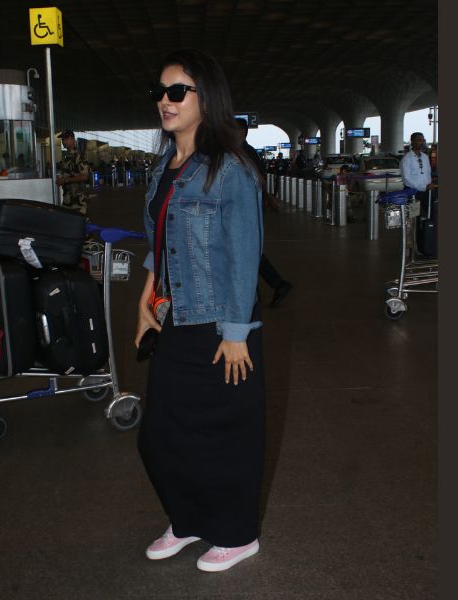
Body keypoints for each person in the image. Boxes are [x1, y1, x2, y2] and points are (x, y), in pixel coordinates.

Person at [135, 48, 265, 573]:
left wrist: (235, 332)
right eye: (160, 92)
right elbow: (160, 241)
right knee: (161, 434)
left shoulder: (229, 170)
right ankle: (187, 519)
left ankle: (237, 535)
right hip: (175, 318)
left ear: (205, 99)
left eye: (177, 91)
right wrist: (146, 299)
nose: (165, 101)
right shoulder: (162, 167)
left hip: (219, 323)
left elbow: (244, 254)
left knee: (225, 437)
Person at [234, 117, 293, 307]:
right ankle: (268, 288)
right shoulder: (241, 151)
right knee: (247, 250)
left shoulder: (246, 152)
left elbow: (258, 178)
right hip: (245, 206)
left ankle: (264, 290)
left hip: (247, 208)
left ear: (242, 132)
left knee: (246, 250)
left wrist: (267, 198)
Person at [56, 130, 92, 216]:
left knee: (80, 223)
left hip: (79, 201)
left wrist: (65, 180)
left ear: (72, 139)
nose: (63, 141)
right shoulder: (67, 156)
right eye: (62, 139)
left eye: (66, 138)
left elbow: (85, 176)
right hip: (68, 200)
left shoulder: (79, 155)